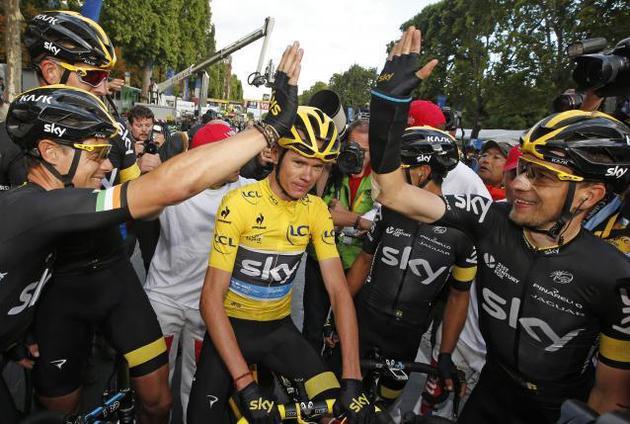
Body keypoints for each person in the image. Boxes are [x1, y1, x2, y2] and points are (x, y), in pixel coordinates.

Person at [0, 38, 303, 422]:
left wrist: (14, 334)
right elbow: (166, 186)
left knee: (156, 402)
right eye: (94, 155)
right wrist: (269, 128)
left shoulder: (43, 203)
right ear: (50, 152)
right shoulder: (39, 208)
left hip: (99, 287)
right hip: (72, 305)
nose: (104, 167)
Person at [367, 26, 630, 423]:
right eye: (523, 169)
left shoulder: (616, 276)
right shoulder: (491, 219)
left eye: (541, 176)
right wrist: (388, 103)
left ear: (590, 196)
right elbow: (393, 194)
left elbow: (609, 397)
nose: (519, 183)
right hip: (490, 389)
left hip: (558, 410)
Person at [187, 106, 373, 424]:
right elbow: (210, 299)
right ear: (275, 153)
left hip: (278, 331)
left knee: (340, 415)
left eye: (317, 167)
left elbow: (339, 293)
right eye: (299, 162)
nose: (307, 176)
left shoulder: (315, 210)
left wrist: (352, 377)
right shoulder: (239, 204)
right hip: (230, 331)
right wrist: (245, 385)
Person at [346, 126, 476, 407]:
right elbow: (364, 260)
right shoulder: (388, 211)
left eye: (397, 169)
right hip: (364, 320)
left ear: (422, 172)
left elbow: (458, 295)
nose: (386, 178)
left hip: (406, 335)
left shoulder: (463, 231)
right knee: (342, 397)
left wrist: (445, 354)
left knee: (384, 404)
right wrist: (337, 317)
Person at [143, 120, 254, 420]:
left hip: (209, 308)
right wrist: (144, 170)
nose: (238, 159)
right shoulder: (171, 185)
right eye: (227, 152)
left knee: (198, 386)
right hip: (163, 301)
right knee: (154, 389)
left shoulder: (248, 191)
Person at [302, 118, 375, 355]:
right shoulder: (329, 170)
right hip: (320, 262)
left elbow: (380, 223)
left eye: (364, 151)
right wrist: (357, 220)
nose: (358, 155)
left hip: (359, 266)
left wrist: (343, 216)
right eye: (352, 147)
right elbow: (317, 212)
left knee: (346, 331)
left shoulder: (383, 179)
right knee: (312, 328)